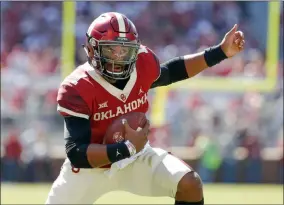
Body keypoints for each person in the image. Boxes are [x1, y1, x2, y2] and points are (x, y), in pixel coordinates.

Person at [45, 12, 245, 204]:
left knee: (189, 184)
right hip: (91, 167)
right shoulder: (77, 86)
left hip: (135, 157)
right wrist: (127, 147)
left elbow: (172, 71)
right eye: (110, 50)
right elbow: (77, 153)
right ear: (91, 50)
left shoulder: (142, 62)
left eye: (125, 50)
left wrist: (220, 52)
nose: (118, 58)